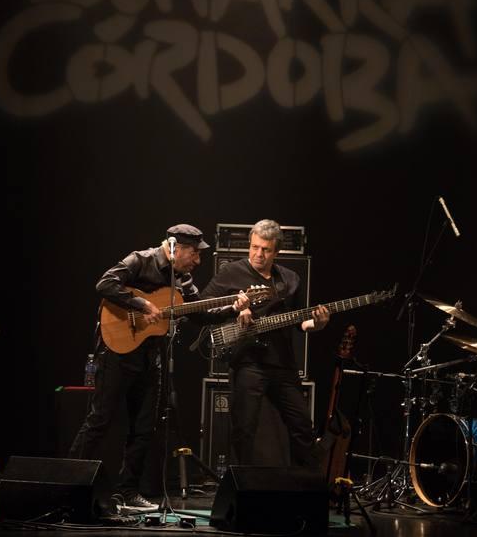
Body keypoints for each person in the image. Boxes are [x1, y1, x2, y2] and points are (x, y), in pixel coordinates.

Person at [69, 223, 249, 514]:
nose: (198, 260)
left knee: (144, 427)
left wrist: (233, 308)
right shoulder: (140, 260)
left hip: (149, 356)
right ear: (175, 246)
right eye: (194, 252)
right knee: (100, 419)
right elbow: (104, 284)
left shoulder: (183, 278)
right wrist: (141, 304)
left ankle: (127, 492)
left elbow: (200, 312)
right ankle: (70, 484)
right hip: (116, 352)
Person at [201, 219, 329, 467]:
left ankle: (303, 485)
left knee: (302, 425)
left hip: (282, 364)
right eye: (255, 247)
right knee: (244, 428)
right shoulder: (231, 272)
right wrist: (234, 309)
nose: (258, 254)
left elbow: (301, 321)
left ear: (276, 252)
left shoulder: (290, 279)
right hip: (248, 363)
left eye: (266, 249)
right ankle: (240, 487)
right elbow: (204, 305)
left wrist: (318, 324)